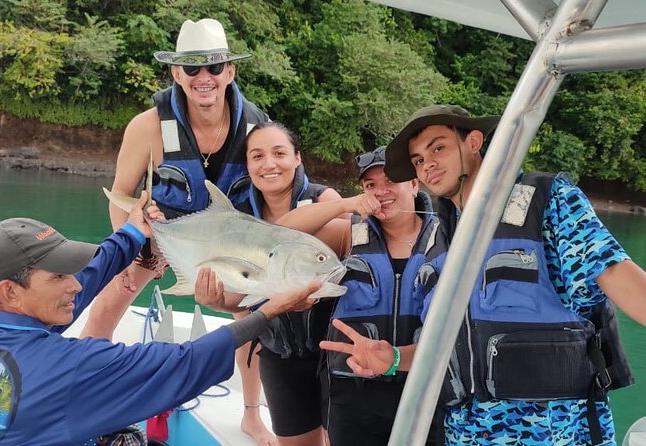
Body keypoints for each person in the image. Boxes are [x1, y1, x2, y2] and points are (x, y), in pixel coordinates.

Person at [320, 104, 646, 445]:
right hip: (466, 434)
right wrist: (394, 358)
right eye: (417, 159)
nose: (427, 163)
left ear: (473, 142)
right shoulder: (443, 241)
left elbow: (617, 276)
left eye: (438, 147)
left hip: (556, 433)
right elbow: (452, 348)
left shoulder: (547, 202)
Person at [0, 193, 318, 445]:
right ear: (10, 291)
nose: (76, 284)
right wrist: (270, 310)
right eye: (58, 277)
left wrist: (132, 234)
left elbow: (85, 282)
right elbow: (183, 362)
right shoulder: (68, 367)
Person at [80, 17, 273, 444]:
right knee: (115, 291)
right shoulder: (146, 126)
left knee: (253, 312)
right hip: (161, 234)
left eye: (214, 67)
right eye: (192, 68)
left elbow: (277, 195)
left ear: (230, 71)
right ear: (175, 73)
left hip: (227, 243)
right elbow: (122, 194)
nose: (204, 78)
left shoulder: (258, 129)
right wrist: (134, 253)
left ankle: (251, 412)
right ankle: (88, 389)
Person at [272, 145, 438, 445]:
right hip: (354, 390)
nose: (380, 191)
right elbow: (280, 235)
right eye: (370, 185)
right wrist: (343, 204)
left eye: (390, 181)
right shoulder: (350, 233)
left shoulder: (449, 237)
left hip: (426, 389)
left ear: (414, 184)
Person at [195, 121, 346, 446]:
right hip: (278, 355)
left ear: (297, 158)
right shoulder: (240, 217)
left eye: (279, 153)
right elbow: (241, 298)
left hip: (333, 356)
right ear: (248, 165)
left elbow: (357, 267)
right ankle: (252, 413)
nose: (269, 164)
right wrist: (217, 302)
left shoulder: (325, 199)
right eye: (257, 156)